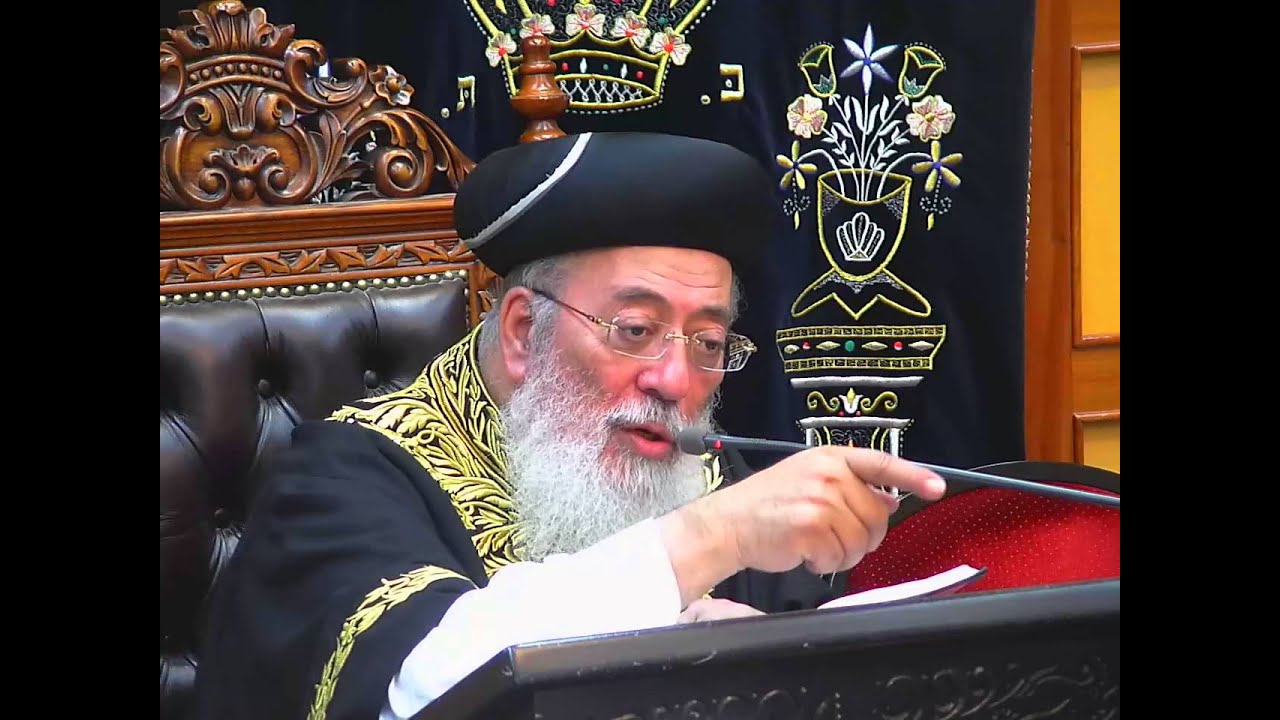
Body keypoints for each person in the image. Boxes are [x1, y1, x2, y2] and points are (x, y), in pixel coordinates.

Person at [192, 132, 947, 720]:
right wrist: (707, 542)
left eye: (708, 343)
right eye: (635, 330)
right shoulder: (340, 480)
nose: (676, 381)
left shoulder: (706, 475)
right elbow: (421, 687)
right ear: (523, 332)